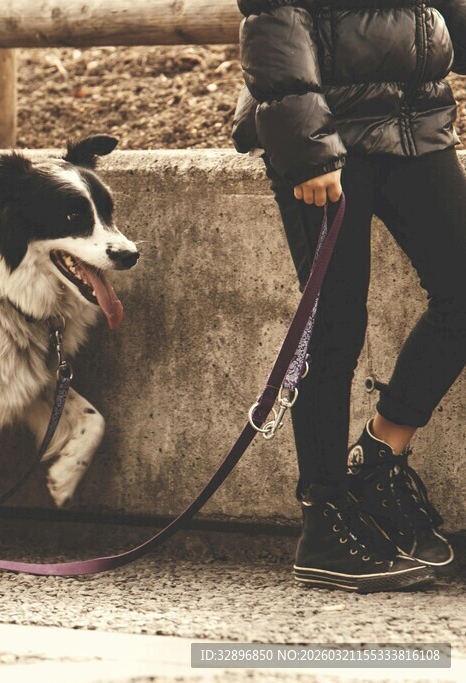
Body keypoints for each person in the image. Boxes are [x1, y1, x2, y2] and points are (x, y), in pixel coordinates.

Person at [233, 0, 466, 592]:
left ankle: (381, 457)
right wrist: (307, 145)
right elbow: (273, 16)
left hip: (417, 125)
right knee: (335, 324)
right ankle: (324, 518)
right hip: (328, 135)